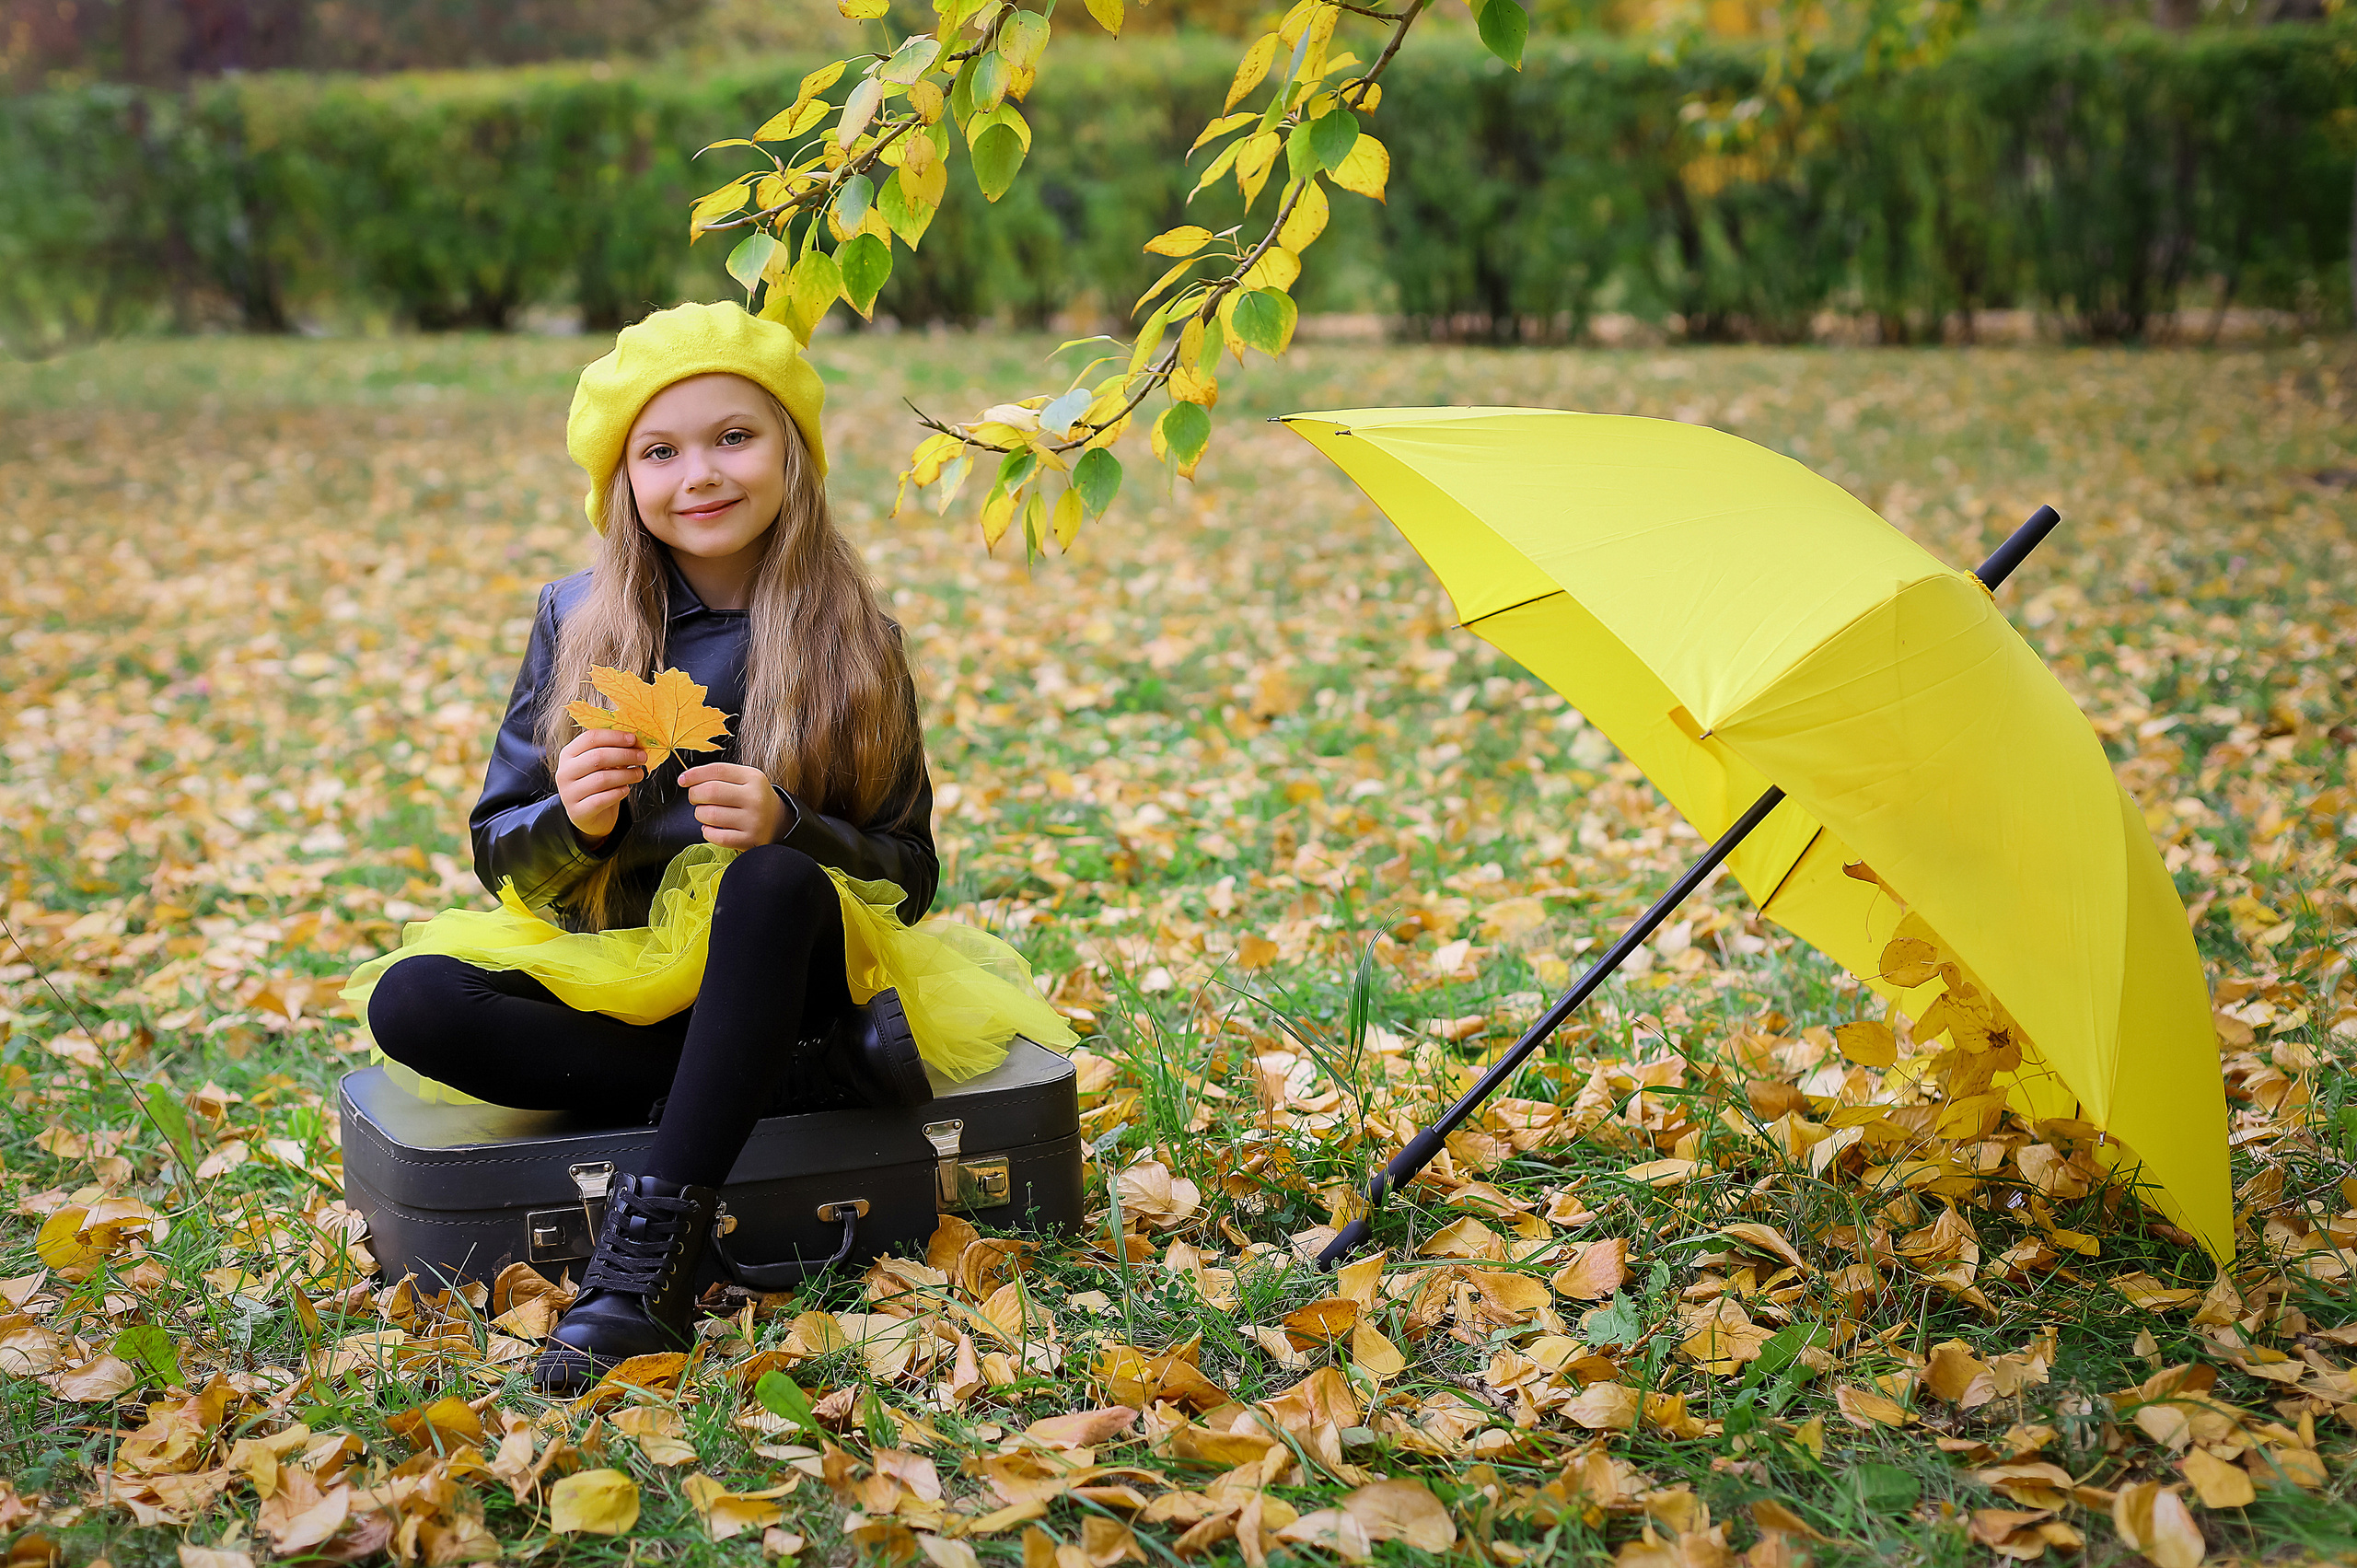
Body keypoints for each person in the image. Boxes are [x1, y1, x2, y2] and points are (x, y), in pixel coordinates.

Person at [343, 301, 1072, 1394]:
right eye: (660, 450)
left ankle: (642, 1276)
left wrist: (796, 825)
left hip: (795, 961)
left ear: (793, 453)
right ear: (622, 479)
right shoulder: (577, 616)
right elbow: (503, 857)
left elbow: (909, 874)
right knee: (411, 1003)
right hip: (634, 972)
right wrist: (571, 821)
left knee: (771, 882)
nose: (701, 474)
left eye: (735, 436)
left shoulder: (856, 640)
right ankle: (787, 1079)